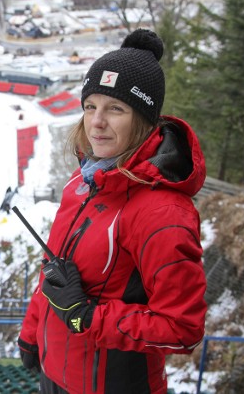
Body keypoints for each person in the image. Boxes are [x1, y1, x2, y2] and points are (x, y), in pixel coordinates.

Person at [17, 29, 207, 394]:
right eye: (91, 106)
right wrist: (31, 333)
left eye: (115, 109)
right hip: (55, 374)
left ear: (144, 120)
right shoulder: (83, 182)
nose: (96, 122)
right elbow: (55, 272)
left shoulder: (162, 213)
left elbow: (182, 329)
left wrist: (87, 317)